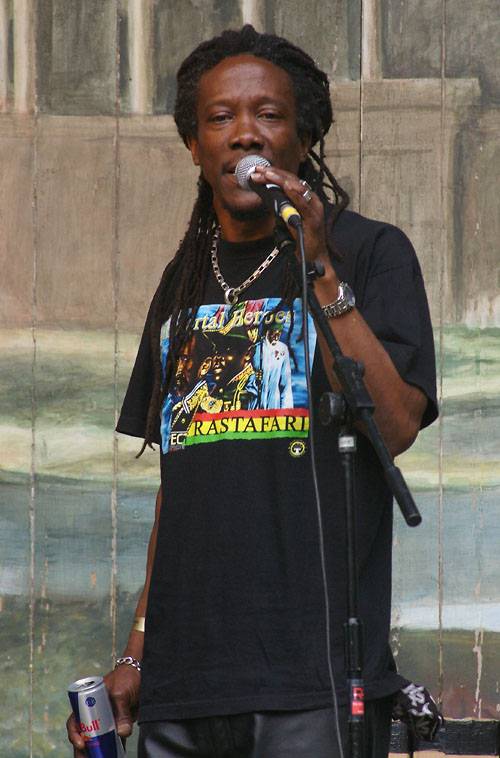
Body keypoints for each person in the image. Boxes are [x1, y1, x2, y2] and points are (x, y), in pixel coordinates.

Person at [67, 25, 437, 757]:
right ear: (194, 146)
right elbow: (180, 487)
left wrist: (320, 269)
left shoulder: (371, 253)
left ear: (304, 138)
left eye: (268, 114)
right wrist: (138, 652)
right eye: (220, 118)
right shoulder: (182, 281)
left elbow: (394, 426)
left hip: (312, 683)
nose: (244, 133)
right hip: (184, 685)